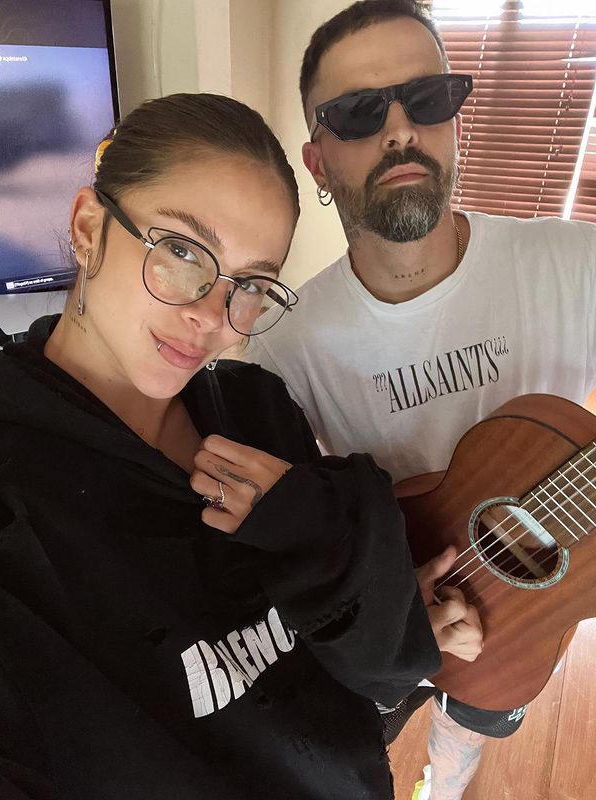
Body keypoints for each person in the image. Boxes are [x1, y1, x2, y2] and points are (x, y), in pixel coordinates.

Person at [0, 92, 483, 799]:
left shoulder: (255, 408)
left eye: (252, 284)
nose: (213, 316)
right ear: (89, 229)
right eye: (181, 251)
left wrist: (339, 554)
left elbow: (364, 668)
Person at [247, 1, 596, 798]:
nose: (401, 130)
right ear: (317, 162)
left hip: (529, 609)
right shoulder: (281, 350)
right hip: (391, 617)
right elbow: (287, 537)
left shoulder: (578, 265)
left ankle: (444, 780)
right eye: (359, 112)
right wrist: (382, 611)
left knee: (474, 719)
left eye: (427, 98)